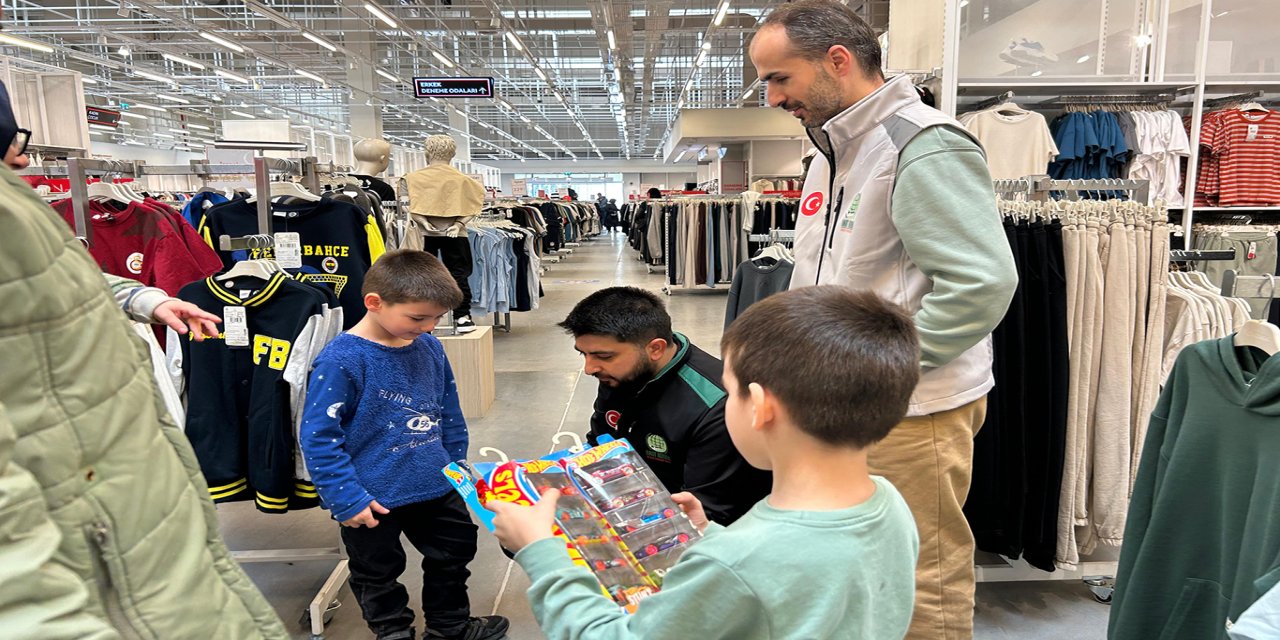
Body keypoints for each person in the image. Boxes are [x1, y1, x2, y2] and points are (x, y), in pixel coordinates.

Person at [749, 3, 1018, 638]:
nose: (771, 96)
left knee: (923, 571)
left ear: (836, 61)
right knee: (861, 561)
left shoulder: (919, 144)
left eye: (780, 78)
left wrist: (880, 370)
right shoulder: (832, 151)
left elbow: (982, 282)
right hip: (844, 400)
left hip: (911, 406)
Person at [0, 81, 287, 637]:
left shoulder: (23, 217)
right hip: (89, 536)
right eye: (14, 141)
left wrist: (145, 298)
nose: (26, 157)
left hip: (122, 512)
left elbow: (65, 281)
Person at [489, 286, 922, 639]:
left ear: (760, 408)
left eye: (730, 389)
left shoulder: (734, 562)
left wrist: (543, 555)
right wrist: (707, 536)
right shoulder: (891, 503)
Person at [300, 249, 509, 640]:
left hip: (435, 482)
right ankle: (393, 634)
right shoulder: (342, 360)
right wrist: (345, 498)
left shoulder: (428, 345)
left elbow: (447, 407)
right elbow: (318, 435)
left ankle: (450, 628)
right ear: (374, 303)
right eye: (418, 317)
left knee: (454, 554)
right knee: (376, 572)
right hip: (371, 495)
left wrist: (455, 464)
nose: (428, 326)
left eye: (436, 319)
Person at [559, 286, 771, 525]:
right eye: (583, 354)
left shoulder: (715, 406)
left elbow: (707, 514)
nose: (589, 368)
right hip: (628, 499)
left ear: (655, 348)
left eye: (604, 356)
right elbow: (601, 444)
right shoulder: (621, 375)